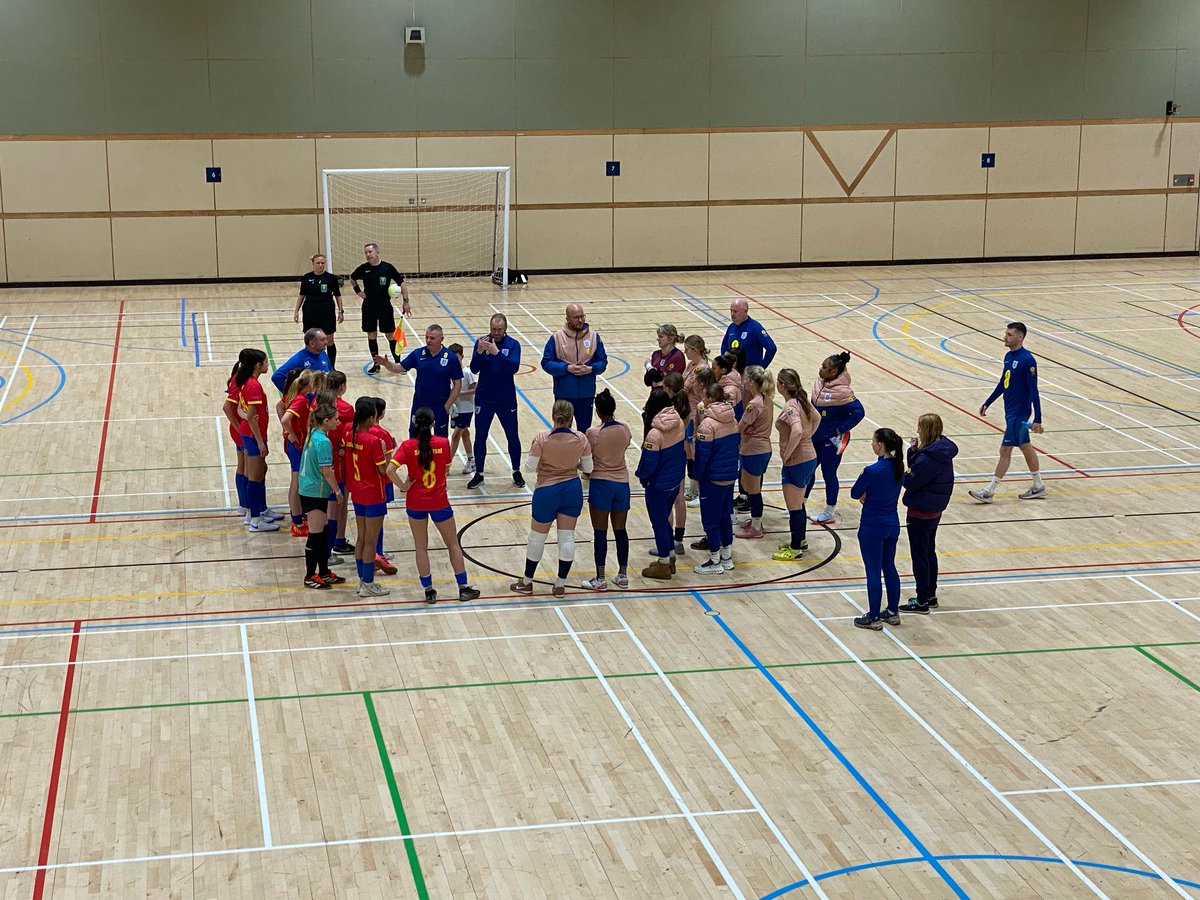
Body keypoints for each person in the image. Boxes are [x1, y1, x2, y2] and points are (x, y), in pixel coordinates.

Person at [388, 406, 482, 604]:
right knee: (452, 544)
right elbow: (446, 468)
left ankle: (429, 591)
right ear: (432, 424)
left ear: (415, 423)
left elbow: (389, 470)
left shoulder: (406, 446)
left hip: (415, 502)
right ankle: (463, 587)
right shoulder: (443, 443)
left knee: (421, 547)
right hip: (439, 501)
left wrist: (403, 486)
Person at [510, 399, 593, 598]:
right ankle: (560, 585)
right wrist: (574, 465)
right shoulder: (581, 438)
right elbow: (589, 468)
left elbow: (529, 468)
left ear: (553, 415)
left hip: (546, 490)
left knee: (537, 538)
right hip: (571, 489)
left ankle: (528, 582)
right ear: (572, 417)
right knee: (567, 537)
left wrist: (545, 466)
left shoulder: (542, 438)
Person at [969, 321, 1046, 503]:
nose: (1005, 337)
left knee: (1005, 450)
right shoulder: (1008, 356)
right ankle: (1038, 486)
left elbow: (1034, 390)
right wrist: (988, 402)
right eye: (1006, 333)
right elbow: (1003, 382)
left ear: (1020, 337)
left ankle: (989, 491)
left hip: (1019, 413)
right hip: (1009, 410)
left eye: (1009, 334)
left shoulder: (1027, 360)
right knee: (1025, 446)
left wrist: (1038, 418)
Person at [901, 413, 958, 614]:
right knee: (928, 552)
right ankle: (930, 594)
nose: (916, 430)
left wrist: (910, 455)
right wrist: (916, 451)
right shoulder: (941, 450)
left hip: (920, 511)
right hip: (935, 510)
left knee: (920, 556)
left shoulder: (928, 459)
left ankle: (922, 600)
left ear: (925, 430)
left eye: (919, 427)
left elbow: (910, 481)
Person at [852, 429, 905, 631]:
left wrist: (865, 492)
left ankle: (873, 616)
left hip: (872, 526)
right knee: (889, 567)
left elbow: (855, 492)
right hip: (892, 524)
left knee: (873, 571)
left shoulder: (872, 471)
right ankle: (893, 611)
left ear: (881, 444)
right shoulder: (898, 467)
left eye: (873, 441)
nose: (871, 444)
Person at [806, 351, 866, 525]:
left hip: (830, 442)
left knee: (829, 474)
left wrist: (840, 428)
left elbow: (859, 412)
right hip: (815, 436)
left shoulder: (843, 392)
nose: (820, 369)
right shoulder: (820, 383)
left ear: (833, 372)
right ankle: (800, 503)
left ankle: (829, 511)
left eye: (824, 367)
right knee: (808, 471)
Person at [468, 312, 526, 489]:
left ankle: (516, 471)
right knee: (480, 436)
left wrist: (497, 353)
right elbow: (473, 369)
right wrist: (478, 353)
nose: (496, 332)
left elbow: (513, 368)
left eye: (500, 329)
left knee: (512, 436)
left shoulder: (513, 345)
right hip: (484, 398)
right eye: (493, 329)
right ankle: (479, 473)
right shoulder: (482, 342)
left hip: (505, 399)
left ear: (506, 329)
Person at [581, 389, 632, 591]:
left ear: (598, 411)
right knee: (621, 531)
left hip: (601, 483)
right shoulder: (625, 429)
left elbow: (586, 462)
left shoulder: (593, 433)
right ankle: (623, 574)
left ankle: (600, 578)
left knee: (600, 532)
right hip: (622, 483)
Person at [636, 389, 689, 580]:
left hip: (657, 485)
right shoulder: (680, 423)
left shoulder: (654, 434)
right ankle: (670, 557)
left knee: (658, 524)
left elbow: (649, 463)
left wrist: (642, 476)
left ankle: (664, 564)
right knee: (665, 519)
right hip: (674, 481)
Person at [375, 324, 463, 438]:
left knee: (440, 442)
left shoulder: (450, 358)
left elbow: (457, 384)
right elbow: (399, 368)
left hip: (440, 407)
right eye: (426, 337)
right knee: (414, 439)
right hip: (419, 406)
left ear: (441, 339)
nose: (428, 340)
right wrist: (386, 363)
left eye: (432, 338)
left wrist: (446, 407)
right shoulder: (418, 354)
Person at [771, 368, 822, 561]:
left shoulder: (791, 406)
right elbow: (817, 418)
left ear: (782, 385)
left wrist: (788, 453)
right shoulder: (802, 400)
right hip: (809, 457)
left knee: (794, 507)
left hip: (797, 460)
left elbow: (798, 431)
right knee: (799, 503)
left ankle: (794, 549)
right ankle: (800, 540)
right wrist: (808, 438)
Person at [692, 382, 740, 574]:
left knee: (710, 520)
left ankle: (714, 561)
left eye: (704, 396)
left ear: (711, 399)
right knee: (724, 517)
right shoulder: (733, 419)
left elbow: (703, 455)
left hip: (713, 478)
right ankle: (727, 557)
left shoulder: (707, 425)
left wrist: (697, 475)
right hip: (729, 476)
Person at [345, 397, 391, 597]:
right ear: (371, 418)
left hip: (357, 491)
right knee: (371, 541)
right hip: (373, 493)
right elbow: (382, 470)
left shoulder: (349, 434)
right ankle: (368, 584)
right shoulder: (373, 441)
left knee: (362, 538)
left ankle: (362, 580)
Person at [297, 404, 346, 589]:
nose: (338, 422)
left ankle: (324, 572)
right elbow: (326, 471)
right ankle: (310, 575)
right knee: (316, 535)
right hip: (314, 491)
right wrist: (338, 491)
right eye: (336, 419)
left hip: (310, 488)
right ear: (326, 421)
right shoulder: (323, 441)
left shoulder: (314, 434)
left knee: (323, 532)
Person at [541, 303, 608, 432]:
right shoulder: (557, 338)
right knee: (562, 433)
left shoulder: (594, 337)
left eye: (582, 316)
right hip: (563, 395)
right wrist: (567, 368)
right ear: (567, 319)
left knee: (584, 433)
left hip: (586, 395)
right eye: (576, 317)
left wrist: (591, 369)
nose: (580, 320)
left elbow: (603, 361)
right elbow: (546, 363)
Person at [280, 369, 328, 536]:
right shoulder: (300, 400)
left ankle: (299, 517)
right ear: (310, 385)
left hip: (297, 444)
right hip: (296, 445)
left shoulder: (295, 395)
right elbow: (285, 419)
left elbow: (280, 406)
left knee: (298, 481)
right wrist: (291, 433)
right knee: (296, 482)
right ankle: (297, 523)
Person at [350, 242, 410, 374]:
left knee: (390, 335)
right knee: (371, 334)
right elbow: (352, 278)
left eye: (370, 252)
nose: (368, 255)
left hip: (384, 306)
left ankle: (398, 365)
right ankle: (376, 364)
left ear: (377, 252)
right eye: (366, 253)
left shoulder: (387, 268)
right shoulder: (363, 268)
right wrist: (358, 292)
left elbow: (402, 283)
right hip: (369, 306)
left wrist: (406, 301)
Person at [235, 351, 278, 532]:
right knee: (254, 476)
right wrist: (260, 441)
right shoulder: (253, 386)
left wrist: (247, 419)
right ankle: (254, 519)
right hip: (253, 436)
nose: (268, 365)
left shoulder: (248, 382)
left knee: (259, 473)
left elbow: (240, 409)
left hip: (251, 433)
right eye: (266, 362)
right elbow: (251, 417)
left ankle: (259, 511)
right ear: (257, 366)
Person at [734, 366, 775, 539]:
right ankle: (755, 520)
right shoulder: (767, 399)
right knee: (752, 486)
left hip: (753, 449)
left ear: (750, 382)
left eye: (745, 378)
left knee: (753, 490)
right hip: (761, 448)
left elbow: (741, 426)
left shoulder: (754, 404)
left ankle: (757, 527)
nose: (743, 381)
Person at [325, 371, 356, 556]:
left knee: (327, 502)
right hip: (339, 459)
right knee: (340, 501)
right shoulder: (345, 408)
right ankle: (338, 540)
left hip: (320, 456)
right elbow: (350, 435)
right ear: (342, 387)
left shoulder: (316, 403)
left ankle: (330, 542)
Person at [294, 253, 343, 369]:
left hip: (327, 313)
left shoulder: (331, 278)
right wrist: (296, 311)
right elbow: (301, 295)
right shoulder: (306, 278)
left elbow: (338, 295)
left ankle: (331, 367)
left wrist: (341, 311)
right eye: (318, 263)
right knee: (310, 340)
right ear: (313, 264)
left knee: (329, 340)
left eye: (322, 263)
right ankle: (311, 366)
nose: (320, 265)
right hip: (310, 312)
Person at [368, 397, 399, 576]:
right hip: (380, 482)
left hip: (362, 482)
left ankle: (374, 553)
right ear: (381, 413)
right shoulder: (383, 434)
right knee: (378, 520)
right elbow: (387, 466)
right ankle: (377, 554)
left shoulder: (359, 430)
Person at [682, 334, 711, 504]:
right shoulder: (691, 364)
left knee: (696, 452)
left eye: (687, 349)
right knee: (689, 453)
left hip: (696, 414)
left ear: (694, 350)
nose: (685, 352)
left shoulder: (702, 368)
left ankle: (701, 491)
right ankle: (693, 488)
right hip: (688, 413)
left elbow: (685, 388)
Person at [721, 297, 777, 370]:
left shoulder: (755, 328)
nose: (732, 314)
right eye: (731, 311)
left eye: (735, 311)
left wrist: (761, 368)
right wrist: (725, 362)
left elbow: (771, 348)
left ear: (745, 312)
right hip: (733, 372)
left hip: (749, 375)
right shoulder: (731, 327)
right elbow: (724, 344)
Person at [447, 343, 477, 475]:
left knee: (455, 436)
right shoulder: (450, 373)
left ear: (462, 356)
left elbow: (474, 389)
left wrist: (458, 393)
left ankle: (447, 465)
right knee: (465, 433)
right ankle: (472, 459)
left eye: (457, 357)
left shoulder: (467, 372)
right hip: (456, 409)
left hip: (466, 408)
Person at [270, 328, 331, 393]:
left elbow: (330, 371)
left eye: (325, 339)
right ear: (312, 344)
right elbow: (277, 377)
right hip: (309, 402)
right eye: (322, 340)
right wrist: (291, 395)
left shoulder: (323, 354)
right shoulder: (299, 359)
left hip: (323, 399)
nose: (326, 342)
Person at [712, 352, 743, 420]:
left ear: (723, 370)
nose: (711, 370)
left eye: (714, 368)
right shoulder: (723, 383)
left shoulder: (729, 390)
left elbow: (727, 413)